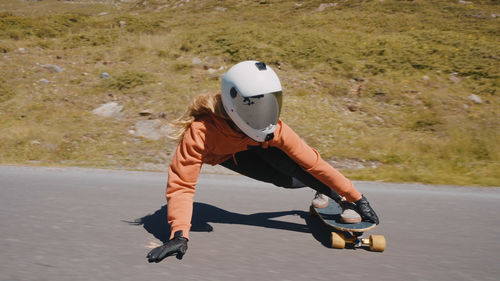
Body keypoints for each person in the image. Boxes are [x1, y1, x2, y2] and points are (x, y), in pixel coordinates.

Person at [147, 60, 379, 263]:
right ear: (233, 103)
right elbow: (182, 185)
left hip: (259, 145)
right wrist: (179, 234)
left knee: (293, 168)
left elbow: (313, 163)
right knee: (287, 181)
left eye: (269, 103)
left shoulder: (274, 129)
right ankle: (325, 191)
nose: (264, 115)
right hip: (229, 155)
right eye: (255, 106)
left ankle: (332, 195)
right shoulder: (201, 132)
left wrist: (356, 197)